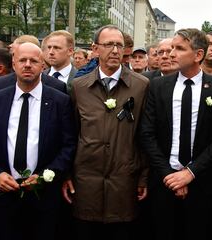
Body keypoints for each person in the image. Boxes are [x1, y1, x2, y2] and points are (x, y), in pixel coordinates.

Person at [140, 28, 212, 240]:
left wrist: (190, 173)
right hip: (164, 183)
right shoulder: (158, 86)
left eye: (179, 48)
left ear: (198, 55)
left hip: (201, 186)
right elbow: (147, 134)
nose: (171, 53)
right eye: (172, 47)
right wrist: (169, 176)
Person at [0, 42, 77, 240]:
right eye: (22, 60)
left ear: (43, 65)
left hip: (44, 197)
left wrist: (45, 176)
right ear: (13, 64)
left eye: (33, 60)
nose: (27, 65)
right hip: (4, 194)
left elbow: (68, 145)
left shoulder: (60, 101)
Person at [62, 25, 149, 240]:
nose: (115, 50)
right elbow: (71, 134)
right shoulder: (79, 86)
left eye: (119, 45)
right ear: (95, 48)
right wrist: (67, 174)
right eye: (109, 44)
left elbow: (145, 136)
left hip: (124, 184)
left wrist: (143, 178)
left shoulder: (141, 86)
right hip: (86, 184)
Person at [0, 35, 67, 94]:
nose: (27, 65)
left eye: (33, 60)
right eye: (13, 54)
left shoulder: (57, 86)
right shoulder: (2, 83)